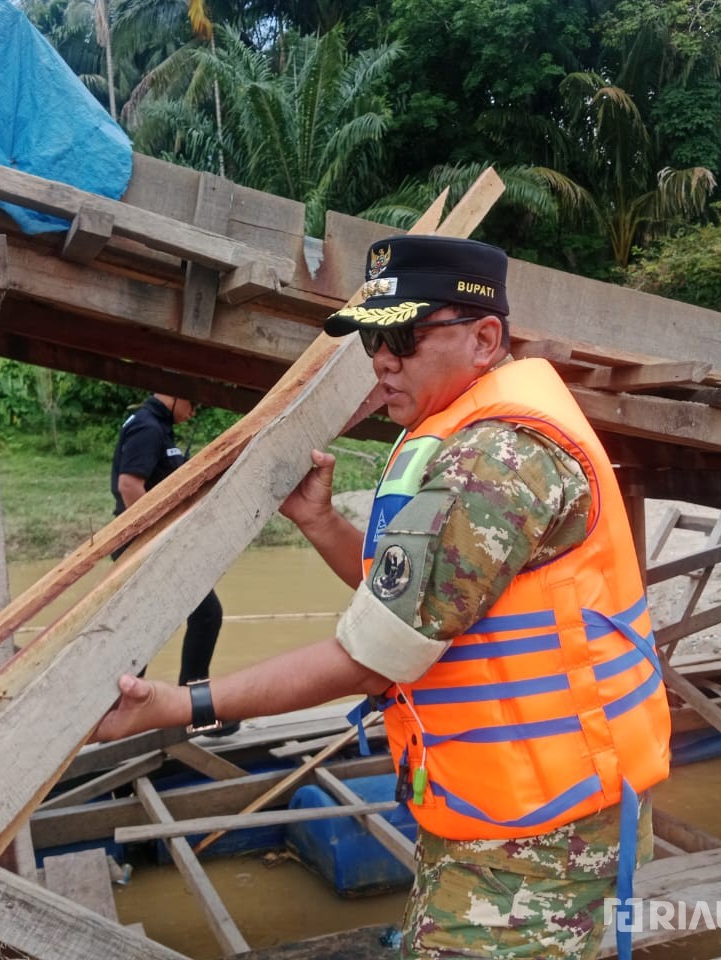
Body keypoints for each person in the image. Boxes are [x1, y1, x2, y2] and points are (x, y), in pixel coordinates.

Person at [93, 236, 672, 959]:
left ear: (484, 338)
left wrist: (179, 706)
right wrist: (322, 522)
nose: (381, 361)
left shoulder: (496, 460)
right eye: (373, 339)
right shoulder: (458, 436)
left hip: (539, 836)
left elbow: (372, 658)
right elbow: (407, 603)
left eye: (402, 336)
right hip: (499, 810)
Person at [110, 391, 224, 686]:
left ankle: (122, 703)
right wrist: (155, 537)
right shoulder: (148, 427)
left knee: (144, 624)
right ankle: (193, 704)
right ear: (173, 393)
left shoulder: (157, 426)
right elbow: (129, 484)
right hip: (144, 542)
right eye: (193, 402)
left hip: (146, 541)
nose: (194, 411)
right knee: (205, 614)